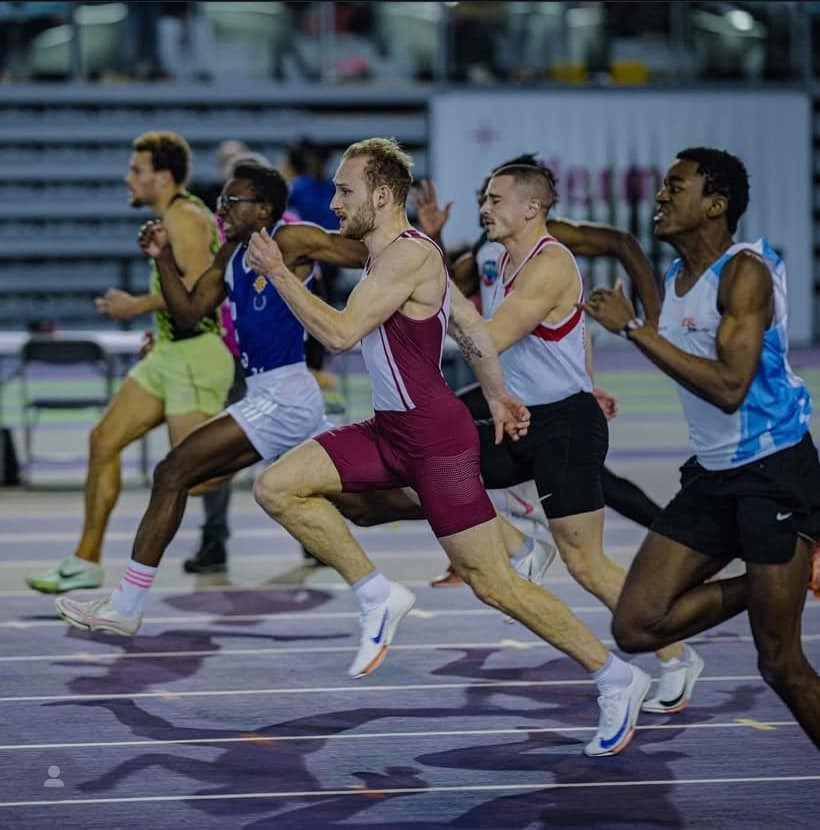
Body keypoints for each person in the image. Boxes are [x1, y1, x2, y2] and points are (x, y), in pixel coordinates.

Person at [242, 137, 659, 758]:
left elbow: (337, 333)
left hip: (434, 441)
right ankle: (377, 592)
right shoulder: (391, 254)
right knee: (275, 485)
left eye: (344, 191)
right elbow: (468, 327)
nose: (333, 202)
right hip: (390, 430)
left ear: (381, 197)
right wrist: (496, 394)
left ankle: (614, 675)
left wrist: (278, 271)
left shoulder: (408, 257)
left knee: (493, 585)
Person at [54, 160, 370, 626]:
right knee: (367, 503)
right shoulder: (230, 255)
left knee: (173, 471)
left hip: (284, 393)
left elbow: (363, 254)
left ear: (263, 208)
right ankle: (480, 523)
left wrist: (408, 236)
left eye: (231, 201)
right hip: (272, 395)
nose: (220, 209)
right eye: (220, 200)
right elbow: (188, 312)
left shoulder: (291, 238)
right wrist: (163, 257)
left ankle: (126, 605)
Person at [581, 146, 820, 748]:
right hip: (716, 477)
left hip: (774, 472)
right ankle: (790, 575)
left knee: (781, 666)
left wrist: (633, 329)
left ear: (715, 204)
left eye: (675, 186)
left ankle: (785, 576)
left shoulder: (746, 273)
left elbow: (732, 389)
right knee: (637, 624)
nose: (660, 195)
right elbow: (683, 360)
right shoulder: (676, 278)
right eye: (662, 186)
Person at [410, 158, 662, 590]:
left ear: (531, 207)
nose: (483, 208)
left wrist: (649, 329)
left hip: (561, 419)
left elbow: (487, 340)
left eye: (494, 199)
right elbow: (453, 297)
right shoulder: (493, 256)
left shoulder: (550, 261)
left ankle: (667, 627)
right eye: (483, 198)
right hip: (518, 406)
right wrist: (431, 248)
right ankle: (518, 537)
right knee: (426, 454)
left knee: (586, 564)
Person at [26, 131, 235, 594]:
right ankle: (86, 561)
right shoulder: (171, 217)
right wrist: (158, 330)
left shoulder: (184, 216)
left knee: (195, 481)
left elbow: (201, 295)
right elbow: (179, 294)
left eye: (136, 170)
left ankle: (269, 439)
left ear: (162, 177)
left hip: (196, 359)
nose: (128, 177)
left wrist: (133, 306)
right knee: (103, 441)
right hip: (168, 355)